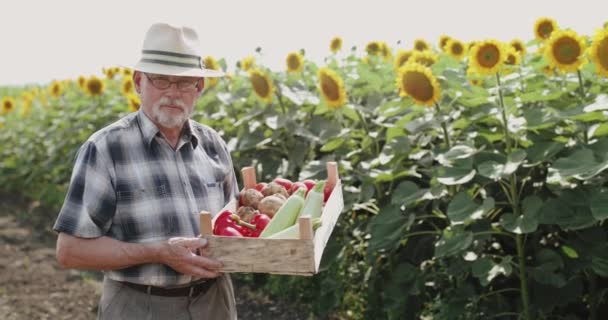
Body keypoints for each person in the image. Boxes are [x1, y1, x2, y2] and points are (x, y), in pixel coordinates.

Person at [53, 22, 238, 320]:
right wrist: (158, 252)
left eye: (184, 82)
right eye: (161, 81)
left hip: (215, 303)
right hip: (140, 306)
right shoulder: (106, 149)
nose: (173, 93)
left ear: (199, 88)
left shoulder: (214, 145)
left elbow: (235, 227)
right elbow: (70, 251)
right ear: (138, 82)